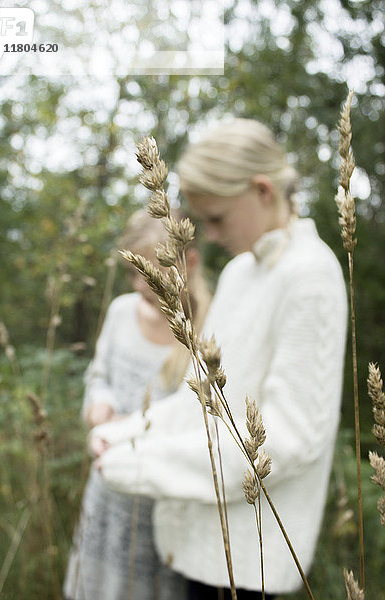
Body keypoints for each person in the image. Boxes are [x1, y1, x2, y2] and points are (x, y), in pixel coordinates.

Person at [91, 119, 348, 599]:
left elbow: (290, 442)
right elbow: (199, 401)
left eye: (217, 219)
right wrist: (120, 436)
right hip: (196, 548)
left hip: (251, 566)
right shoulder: (238, 272)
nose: (206, 236)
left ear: (262, 190)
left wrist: (145, 465)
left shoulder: (310, 276)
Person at [63, 209, 211, 600]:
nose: (139, 284)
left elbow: (199, 423)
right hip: (107, 488)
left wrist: (137, 427)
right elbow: (99, 376)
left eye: (150, 272)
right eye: (133, 272)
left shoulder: (204, 331)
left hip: (160, 502)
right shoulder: (120, 313)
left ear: (188, 262)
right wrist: (100, 403)